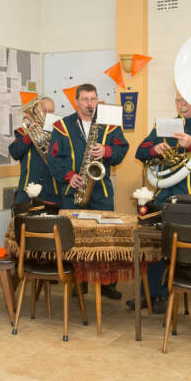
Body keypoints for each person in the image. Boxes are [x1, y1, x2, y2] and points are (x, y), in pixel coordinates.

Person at [133, 91, 191, 311]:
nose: (181, 104)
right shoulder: (164, 126)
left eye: (186, 100)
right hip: (165, 198)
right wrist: (154, 149)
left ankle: (168, 294)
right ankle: (149, 293)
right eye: (178, 100)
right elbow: (140, 151)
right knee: (154, 246)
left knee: (179, 248)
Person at [49, 83, 129, 300]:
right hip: (73, 191)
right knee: (74, 240)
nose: (89, 104)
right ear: (76, 101)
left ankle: (107, 284)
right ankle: (78, 283)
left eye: (93, 99)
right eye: (85, 99)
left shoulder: (108, 123)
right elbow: (53, 158)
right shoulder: (61, 126)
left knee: (106, 238)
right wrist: (69, 176)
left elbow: (122, 148)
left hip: (101, 192)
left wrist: (107, 150)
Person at [9, 96, 60, 205]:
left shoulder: (59, 133)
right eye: (44, 110)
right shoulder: (22, 132)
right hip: (27, 190)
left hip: (52, 190)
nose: (47, 114)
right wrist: (29, 135)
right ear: (36, 113)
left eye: (50, 111)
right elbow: (15, 153)